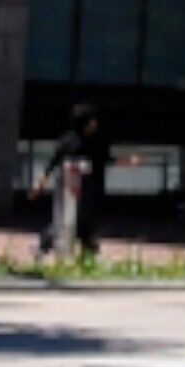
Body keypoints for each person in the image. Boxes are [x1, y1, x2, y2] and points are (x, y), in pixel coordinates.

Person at [41, 101, 113, 265]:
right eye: (92, 120)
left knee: (85, 223)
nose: (95, 124)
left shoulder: (96, 141)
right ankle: (46, 247)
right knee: (64, 222)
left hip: (89, 189)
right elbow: (54, 161)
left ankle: (88, 255)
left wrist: (127, 162)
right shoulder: (69, 141)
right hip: (70, 189)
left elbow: (106, 158)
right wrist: (42, 181)